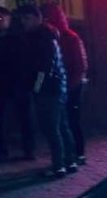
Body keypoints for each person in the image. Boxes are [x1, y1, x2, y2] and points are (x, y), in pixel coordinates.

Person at [17, 4, 76, 178]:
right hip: (57, 87)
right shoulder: (48, 35)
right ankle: (69, 161)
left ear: (38, 18)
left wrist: (36, 88)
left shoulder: (42, 38)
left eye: (27, 18)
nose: (24, 22)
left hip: (49, 89)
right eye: (22, 19)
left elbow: (44, 67)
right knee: (61, 126)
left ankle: (59, 166)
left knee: (52, 128)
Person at [42, 3, 87, 165]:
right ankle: (71, 154)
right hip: (62, 84)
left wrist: (70, 86)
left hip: (71, 85)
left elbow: (80, 66)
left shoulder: (70, 37)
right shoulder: (54, 37)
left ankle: (78, 153)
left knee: (71, 120)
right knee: (64, 121)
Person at [0, 6, 36, 161]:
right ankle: (3, 150)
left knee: (25, 117)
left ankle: (29, 149)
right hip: (5, 84)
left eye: (1, 18)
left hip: (19, 84)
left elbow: (28, 62)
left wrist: (30, 83)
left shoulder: (18, 38)